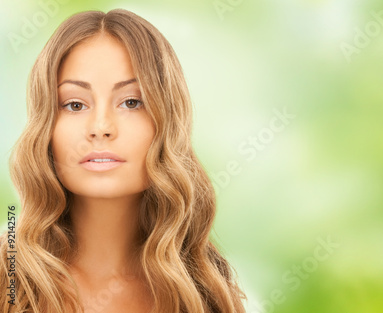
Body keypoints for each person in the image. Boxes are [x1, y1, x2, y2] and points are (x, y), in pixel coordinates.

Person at [0, 9, 246, 313]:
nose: (101, 127)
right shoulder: (8, 279)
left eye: (131, 102)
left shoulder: (207, 289)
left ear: (166, 120)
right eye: (75, 105)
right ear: (45, 126)